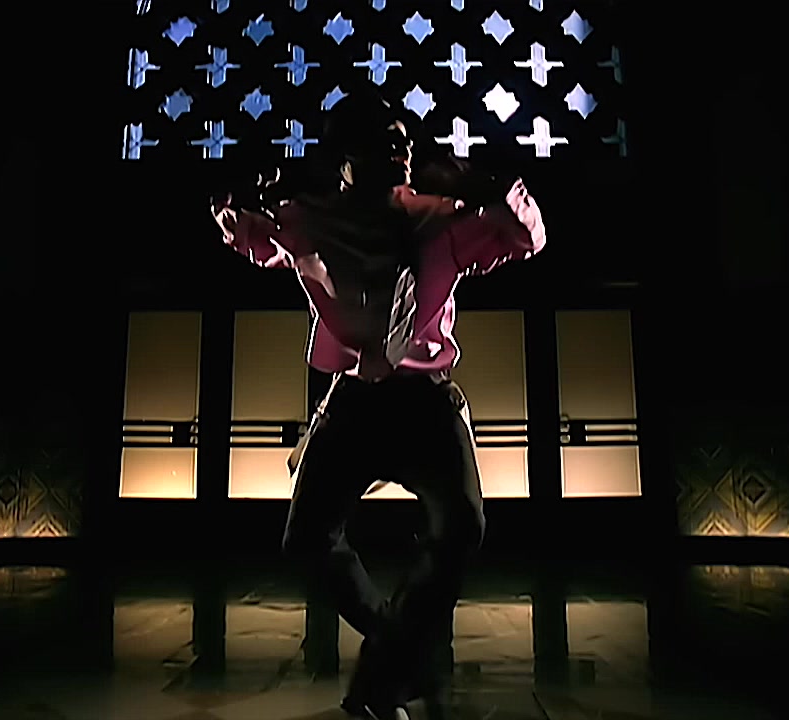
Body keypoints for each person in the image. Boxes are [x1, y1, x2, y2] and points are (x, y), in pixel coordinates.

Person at [210, 92, 546, 720]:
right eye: (383, 139)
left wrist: (496, 189)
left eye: (404, 138)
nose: (403, 147)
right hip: (354, 398)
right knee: (306, 537)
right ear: (345, 156)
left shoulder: (439, 220)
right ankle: (398, 647)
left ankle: (383, 673)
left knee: (463, 526)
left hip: (425, 396)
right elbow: (249, 235)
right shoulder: (309, 220)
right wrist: (230, 208)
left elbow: (528, 238)